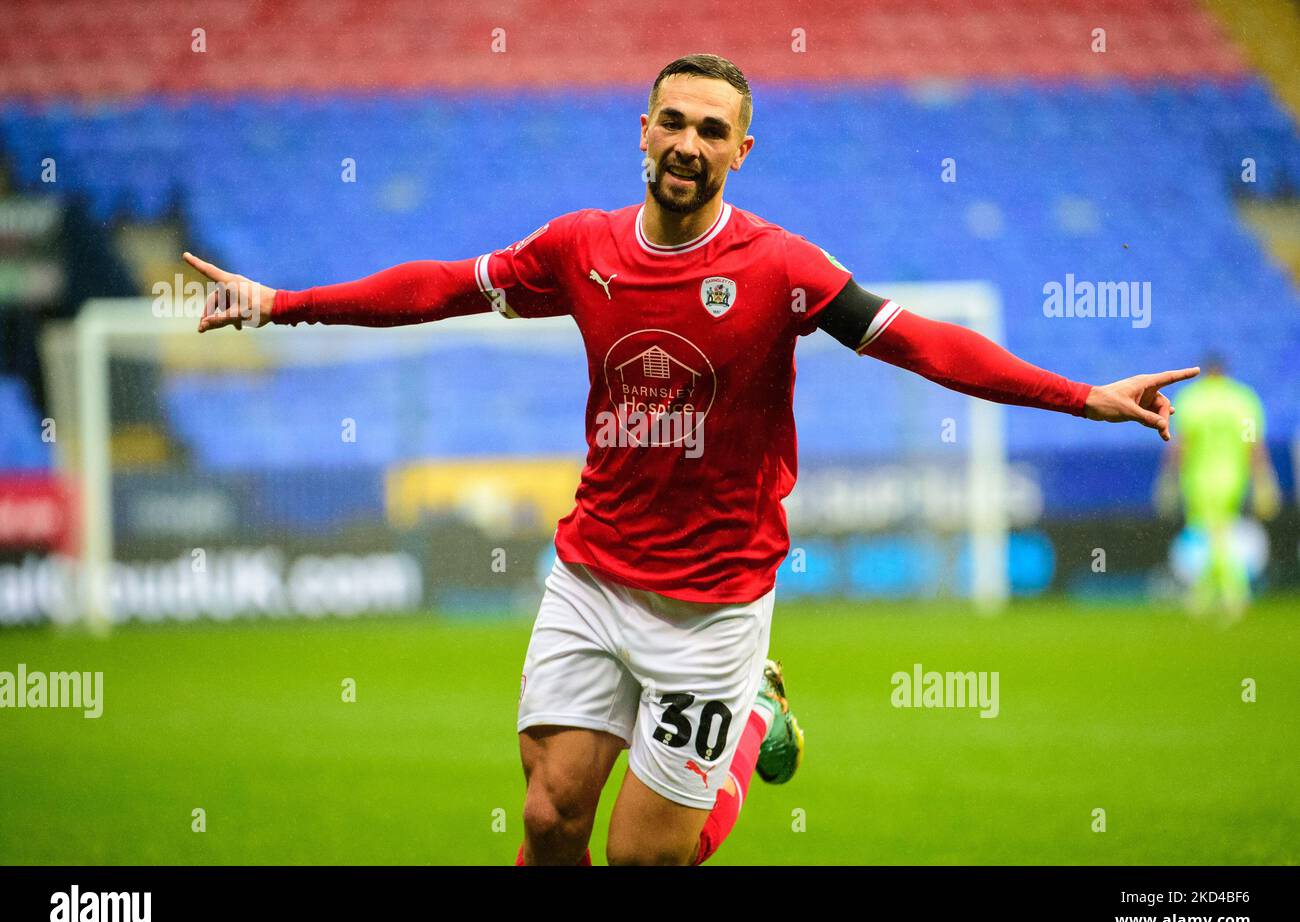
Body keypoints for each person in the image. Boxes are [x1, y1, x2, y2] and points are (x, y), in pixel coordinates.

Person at [183, 53, 1197, 865]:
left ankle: (752, 714)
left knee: (643, 859)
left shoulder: (782, 269)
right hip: (591, 573)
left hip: (713, 605)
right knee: (546, 822)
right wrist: (280, 300)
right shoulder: (580, 247)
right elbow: (440, 287)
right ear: (643, 130)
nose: (687, 143)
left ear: (740, 151)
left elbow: (925, 341)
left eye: (712, 130)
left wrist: (1084, 396)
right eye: (672, 121)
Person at [1155, 353, 1279, 619]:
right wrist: (1263, 480)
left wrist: (1167, 479)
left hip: (1199, 478)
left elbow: (1181, 445)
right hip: (1233, 477)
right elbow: (1253, 444)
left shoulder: (1193, 399)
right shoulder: (1241, 399)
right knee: (1218, 533)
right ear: (1224, 371)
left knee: (1214, 533)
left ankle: (1234, 593)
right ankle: (1208, 594)